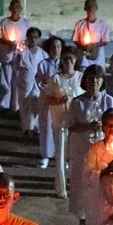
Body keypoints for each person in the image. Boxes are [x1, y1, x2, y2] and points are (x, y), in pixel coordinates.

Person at [63, 65, 113, 217]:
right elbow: (70, 126)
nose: (94, 81)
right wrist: (88, 126)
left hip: (103, 149)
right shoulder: (77, 103)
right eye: (91, 78)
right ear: (85, 80)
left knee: (102, 181)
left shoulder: (108, 101)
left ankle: (102, 214)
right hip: (82, 148)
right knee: (81, 182)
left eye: (98, 78)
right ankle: (82, 217)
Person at [35, 43, 76, 171]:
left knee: (70, 134)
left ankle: (67, 158)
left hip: (70, 109)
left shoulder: (77, 75)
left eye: (59, 47)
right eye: (53, 46)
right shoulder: (44, 65)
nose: (56, 49)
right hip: (52, 104)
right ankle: (46, 155)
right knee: (48, 129)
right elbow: (40, 82)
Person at [0, 0, 32, 112]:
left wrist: (22, 45)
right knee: (6, 80)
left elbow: (30, 38)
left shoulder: (26, 23)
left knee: (18, 80)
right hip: (7, 54)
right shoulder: (4, 22)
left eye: (17, 7)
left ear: (20, 9)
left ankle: (16, 105)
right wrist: (8, 43)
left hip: (20, 55)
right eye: (13, 7)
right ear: (10, 9)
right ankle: (5, 104)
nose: (15, 10)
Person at [72, 0, 109, 66]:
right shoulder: (80, 24)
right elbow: (75, 39)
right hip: (83, 56)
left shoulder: (102, 24)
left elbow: (105, 41)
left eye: (93, 5)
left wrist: (94, 45)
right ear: (85, 8)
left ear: (96, 8)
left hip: (98, 57)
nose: (91, 7)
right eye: (89, 6)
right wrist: (84, 47)